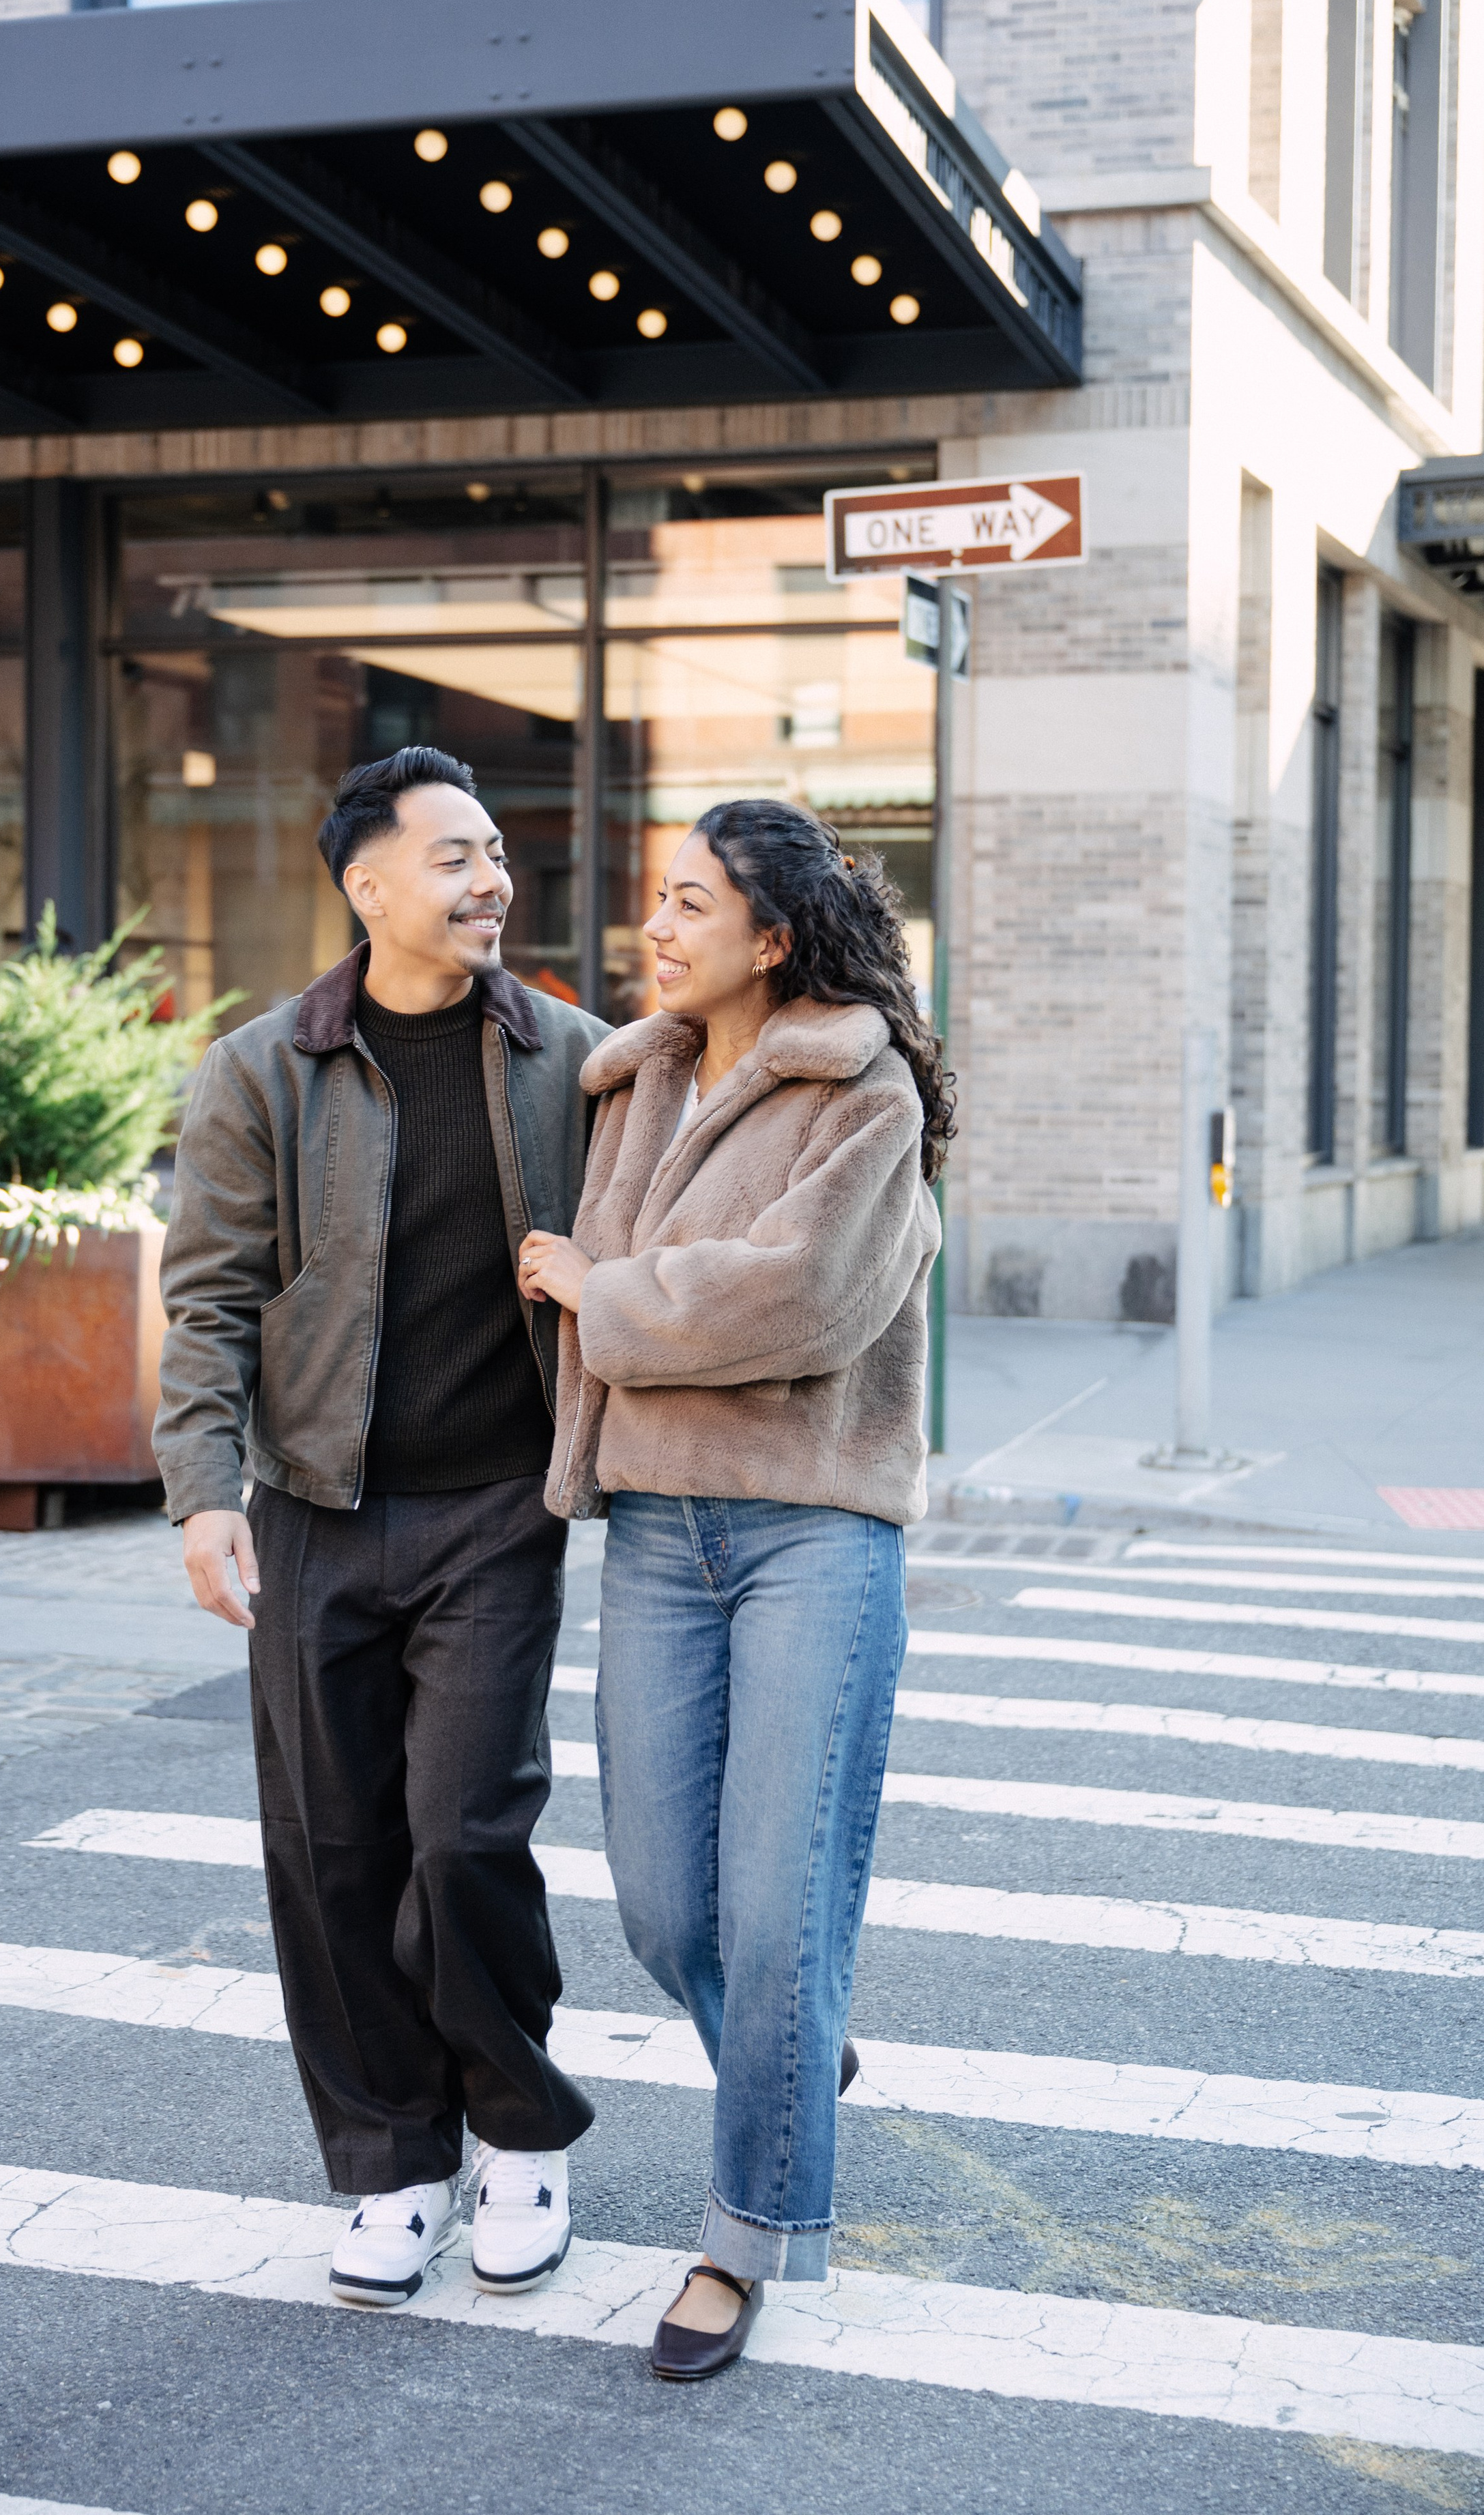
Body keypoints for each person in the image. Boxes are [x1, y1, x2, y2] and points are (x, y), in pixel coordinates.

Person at [155, 744, 609, 2310]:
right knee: (328, 1846)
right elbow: (206, 1302)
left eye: (496, 854)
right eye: (456, 857)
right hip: (317, 1513)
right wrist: (204, 1495)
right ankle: (389, 2165)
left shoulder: (577, 1058)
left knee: (464, 1833)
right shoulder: (258, 1070)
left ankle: (519, 2129)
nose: (490, 880)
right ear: (367, 886)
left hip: (498, 1505)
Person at [518, 796, 950, 2382]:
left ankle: (742, 2241)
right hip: (652, 1533)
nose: (660, 924)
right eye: (659, 898)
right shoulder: (632, 1079)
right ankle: (791, 2045)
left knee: (773, 1911)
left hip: (806, 1533)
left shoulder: (864, 1088)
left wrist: (596, 1289)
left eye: (691, 903)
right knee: (659, 1904)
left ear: (772, 938)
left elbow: (799, 1301)